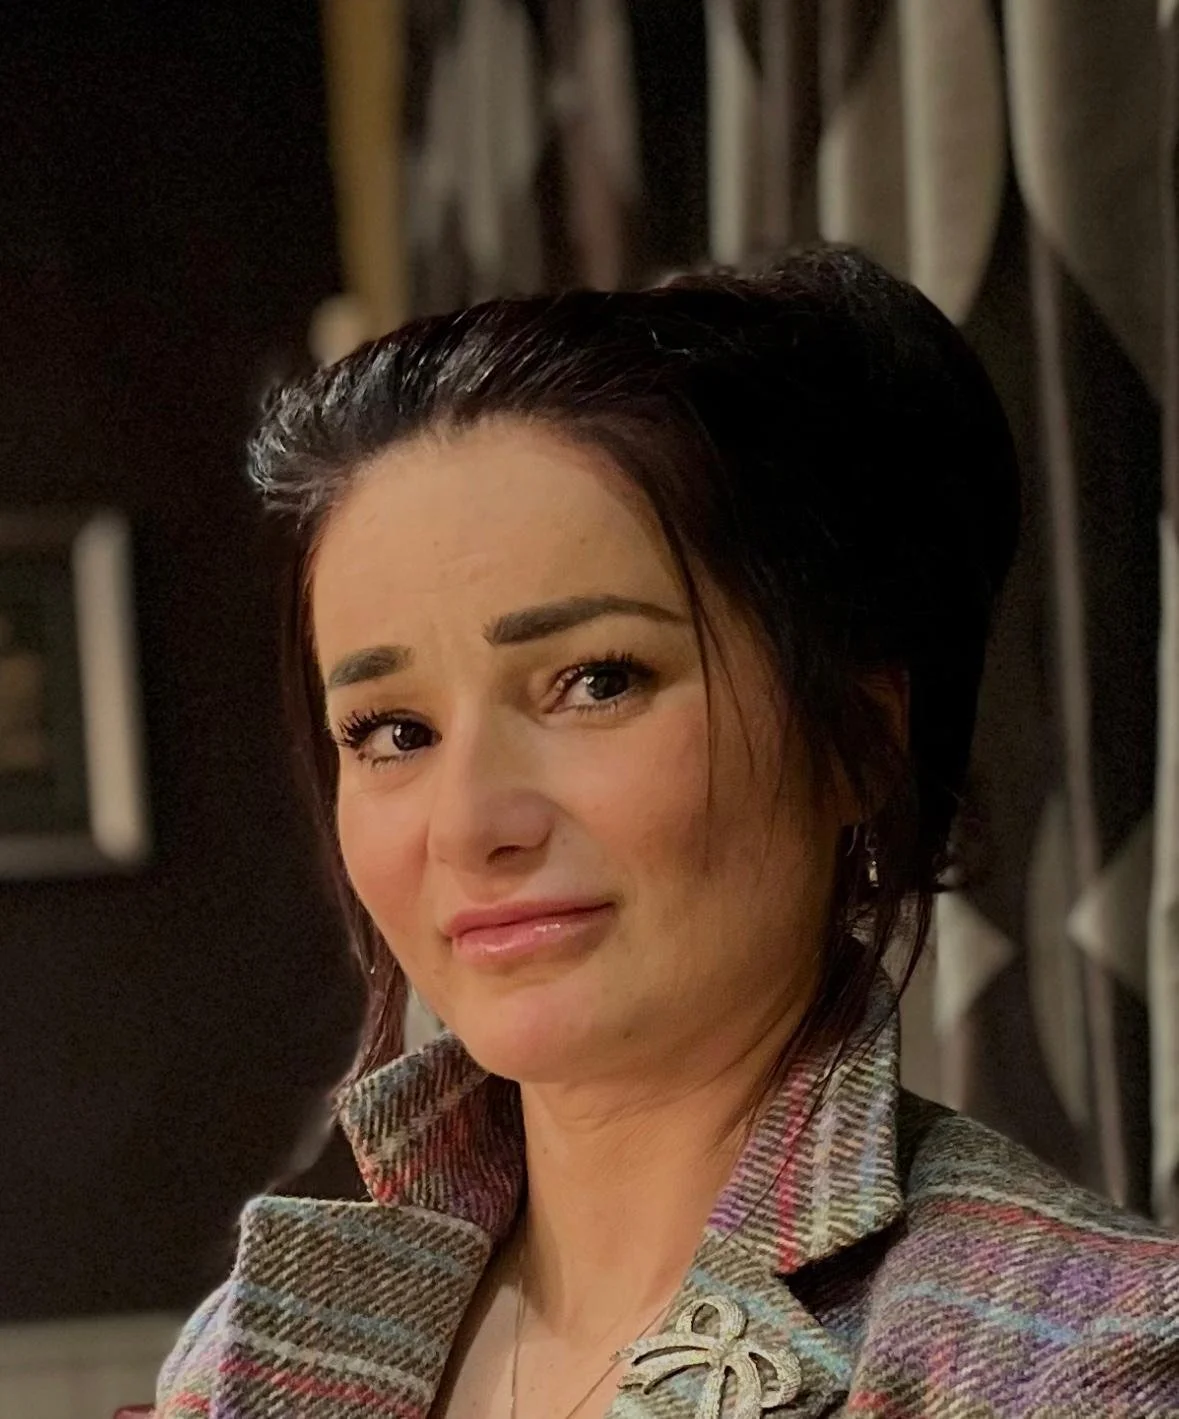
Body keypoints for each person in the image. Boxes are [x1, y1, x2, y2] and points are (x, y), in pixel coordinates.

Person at [155, 247, 1178, 1419]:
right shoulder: (249, 1349)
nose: (472, 824)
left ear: (859, 739)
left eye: (596, 681)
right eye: (391, 731)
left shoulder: (1083, 1358)